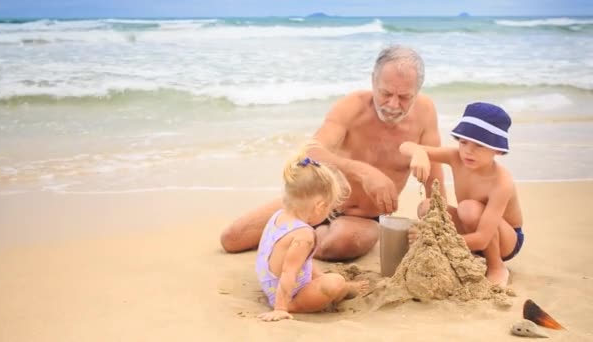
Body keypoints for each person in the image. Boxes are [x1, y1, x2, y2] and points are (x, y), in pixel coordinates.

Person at [221, 45, 446, 261]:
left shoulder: (425, 115)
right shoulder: (352, 106)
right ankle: (300, 233)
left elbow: (435, 188)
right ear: (373, 81)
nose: (393, 104)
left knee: (340, 243)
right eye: (386, 93)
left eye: (405, 97)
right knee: (232, 239)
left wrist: (432, 223)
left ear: (417, 92)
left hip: (362, 219)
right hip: (316, 199)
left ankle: (294, 238)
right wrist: (362, 171)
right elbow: (309, 153)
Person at [399, 102, 524, 287]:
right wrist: (418, 153)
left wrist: (435, 241)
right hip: (471, 230)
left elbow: (482, 239)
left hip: (504, 241)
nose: (468, 151)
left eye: (479, 145)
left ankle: (496, 266)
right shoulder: (456, 156)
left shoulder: (501, 182)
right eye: (463, 142)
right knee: (427, 207)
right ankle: (465, 255)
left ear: (497, 149)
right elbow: (404, 146)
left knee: (469, 209)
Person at [256, 151, 368, 322]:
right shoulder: (304, 235)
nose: (330, 213)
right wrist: (280, 308)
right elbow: (288, 273)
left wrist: (318, 276)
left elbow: (296, 261)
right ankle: (342, 291)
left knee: (311, 269)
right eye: (330, 209)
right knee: (335, 282)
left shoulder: (279, 215)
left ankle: (339, 286)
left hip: (269, 284)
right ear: (319, 207)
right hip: (288, 295)